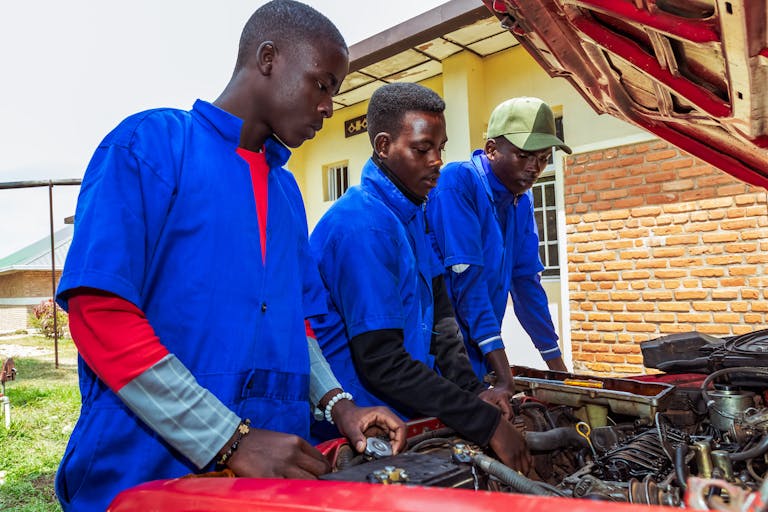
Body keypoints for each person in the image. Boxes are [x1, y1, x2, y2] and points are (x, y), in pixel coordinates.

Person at [54, 2, 405, 510]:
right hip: (142, 479)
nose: (329, 106)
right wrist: (230, 438)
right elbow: (99, 313)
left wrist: (339, 404)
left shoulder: (286, 193)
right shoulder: (151, 144)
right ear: (268, 58)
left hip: (266, 486)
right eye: (322, 84)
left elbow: (296, 325)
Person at [309, 82, 531, 473]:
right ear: (383, 146)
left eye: (441, 148)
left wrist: (475, 391)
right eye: (422, 149)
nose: (436, 162)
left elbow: (442, 322)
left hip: (404, 418)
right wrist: (484, 423)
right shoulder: (364, 227)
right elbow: (383, 362)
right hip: (356, 436)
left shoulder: (413, 216)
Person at [426, 97, 571, 399]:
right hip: (438, 356)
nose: (535, 168)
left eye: (543, 158)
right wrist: (506, 379)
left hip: (478, 357)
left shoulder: (521, 200)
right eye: (524, 156)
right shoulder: (458, 182)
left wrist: (561, 375)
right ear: (491, 150)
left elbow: (526, 285)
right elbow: (469, 283)